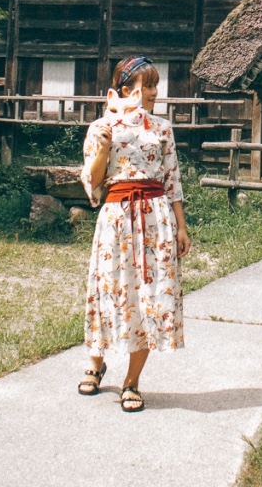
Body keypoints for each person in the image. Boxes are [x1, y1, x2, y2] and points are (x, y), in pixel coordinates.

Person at [76, 55, 190, 412]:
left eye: (156, 85)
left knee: (148, 296)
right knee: (108, 288)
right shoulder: (100, 128)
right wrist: (107, 144)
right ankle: (96, 362)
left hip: (155, 217)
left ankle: (132, 382)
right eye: (148, 86)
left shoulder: (162, 129)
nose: (155, 92)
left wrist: (181, 226)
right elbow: (92, 182)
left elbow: (172, 179)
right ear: (125, 91)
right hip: (115, 218)